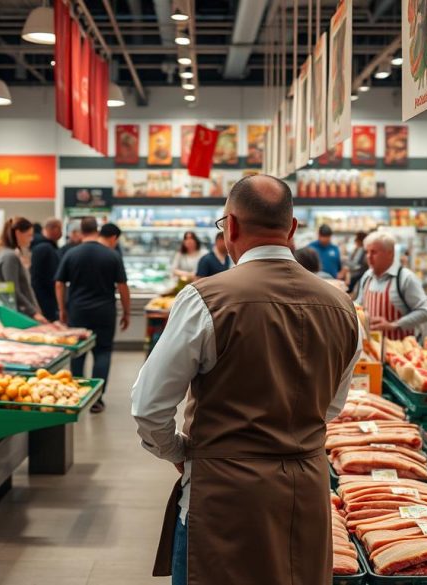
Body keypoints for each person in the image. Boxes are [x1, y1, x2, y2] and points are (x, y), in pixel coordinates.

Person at [131, 174, 361, 585]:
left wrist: (178, 452)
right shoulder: (343, 308)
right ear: (291, 230)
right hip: (304, 494)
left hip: (223, 496)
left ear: (230, 228)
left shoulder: (204, 299)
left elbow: (149, 406)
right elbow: (331, 407)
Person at [55, 218, 130, 413]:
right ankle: (97, 399)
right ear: (96, 230)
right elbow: (122, 286)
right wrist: (126, 312)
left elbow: (59, 283)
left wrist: (62, 309)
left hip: (78, 312)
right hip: (105, 312)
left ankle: (77, 395)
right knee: (103, 353)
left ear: (81, 231)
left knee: (77, 354)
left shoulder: (71, 253)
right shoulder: (112, 255)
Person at [356, 232, 427, 340]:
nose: (369, 257)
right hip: (373, 349)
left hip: (401, 349)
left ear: (390, 253)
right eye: (367, 252)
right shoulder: (367, 276)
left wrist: (393, 325)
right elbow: (360, 304)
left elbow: (424, 312)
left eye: (374, 252)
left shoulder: (405, 278)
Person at [0, 217, 48, 322]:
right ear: (18, 233)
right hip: (18, 316)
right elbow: (14, 290)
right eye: (29, 235)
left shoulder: (2, 253)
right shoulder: (10, 256)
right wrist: (33, 313)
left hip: (10, 312)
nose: (31, 239)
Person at [30, 217, 63, 321]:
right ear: (54, 229)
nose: (61, 233)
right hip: (45, 302)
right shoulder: (45, 248)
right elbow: (39, 278)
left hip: (44, 300)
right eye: (60, 229)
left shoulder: (43, 246)